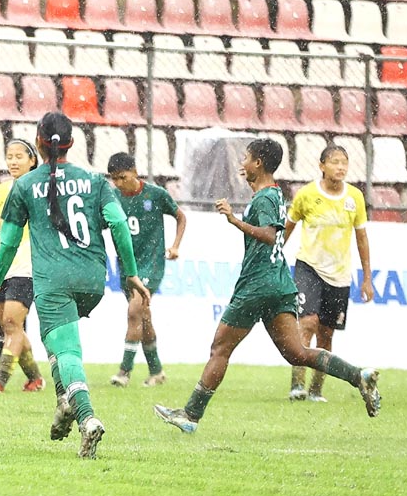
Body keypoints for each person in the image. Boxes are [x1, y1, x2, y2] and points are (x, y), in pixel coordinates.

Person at [154, 139, 381, 434]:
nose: (242, 164)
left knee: (220, 348)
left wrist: (234, 220)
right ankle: (358, 376)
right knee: (297, 353)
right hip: (278, 283)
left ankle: (190, 415)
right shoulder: (273, 194)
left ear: (258, 163)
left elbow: (270, 235)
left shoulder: (263, 199)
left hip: (257, 284)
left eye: (246, 158)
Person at [0, 112, 151, 459]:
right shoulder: (95, 181)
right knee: (56, 342)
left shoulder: (25, 186)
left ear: (38, 144)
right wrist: (130, 273)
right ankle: (62, 402)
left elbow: (8, 242)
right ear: (71, 143)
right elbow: (118, 225)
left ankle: (86, 417)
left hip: (54, 279)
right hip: (91, 279)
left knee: (66, 350)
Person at [283, 145, 374, 402]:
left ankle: (316, 390)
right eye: (335, 162)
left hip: (339, 274)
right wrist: (273, 256)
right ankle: (297, 386)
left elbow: (362, 238)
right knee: (307, 323)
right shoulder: (307, 194)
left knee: (326, 333)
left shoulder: (354, 197)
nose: (341, 167)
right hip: (309, 267)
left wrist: (367, 278)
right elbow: (288, 227)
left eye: (344, 162)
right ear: (322, 165)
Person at [105, 152, 187, 388]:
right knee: (144, 317)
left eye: (122, 177)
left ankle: (124, 372)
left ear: (135, 172)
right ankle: (156, 370)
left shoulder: (155, 194)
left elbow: (181, 217)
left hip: (151, 263)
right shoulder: (112, 198)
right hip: (126, 265)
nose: (118, 183)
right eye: (114, 179)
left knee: (134, 311)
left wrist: (175, 246)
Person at [0, 139, 46, 393]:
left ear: (32, 160)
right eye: (10, 157)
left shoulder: (40, 190)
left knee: (13, 323)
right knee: (10, 326)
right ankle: (35, 379)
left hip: (28, 265)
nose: (13, 161)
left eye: (19, 157)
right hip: (2, 266)